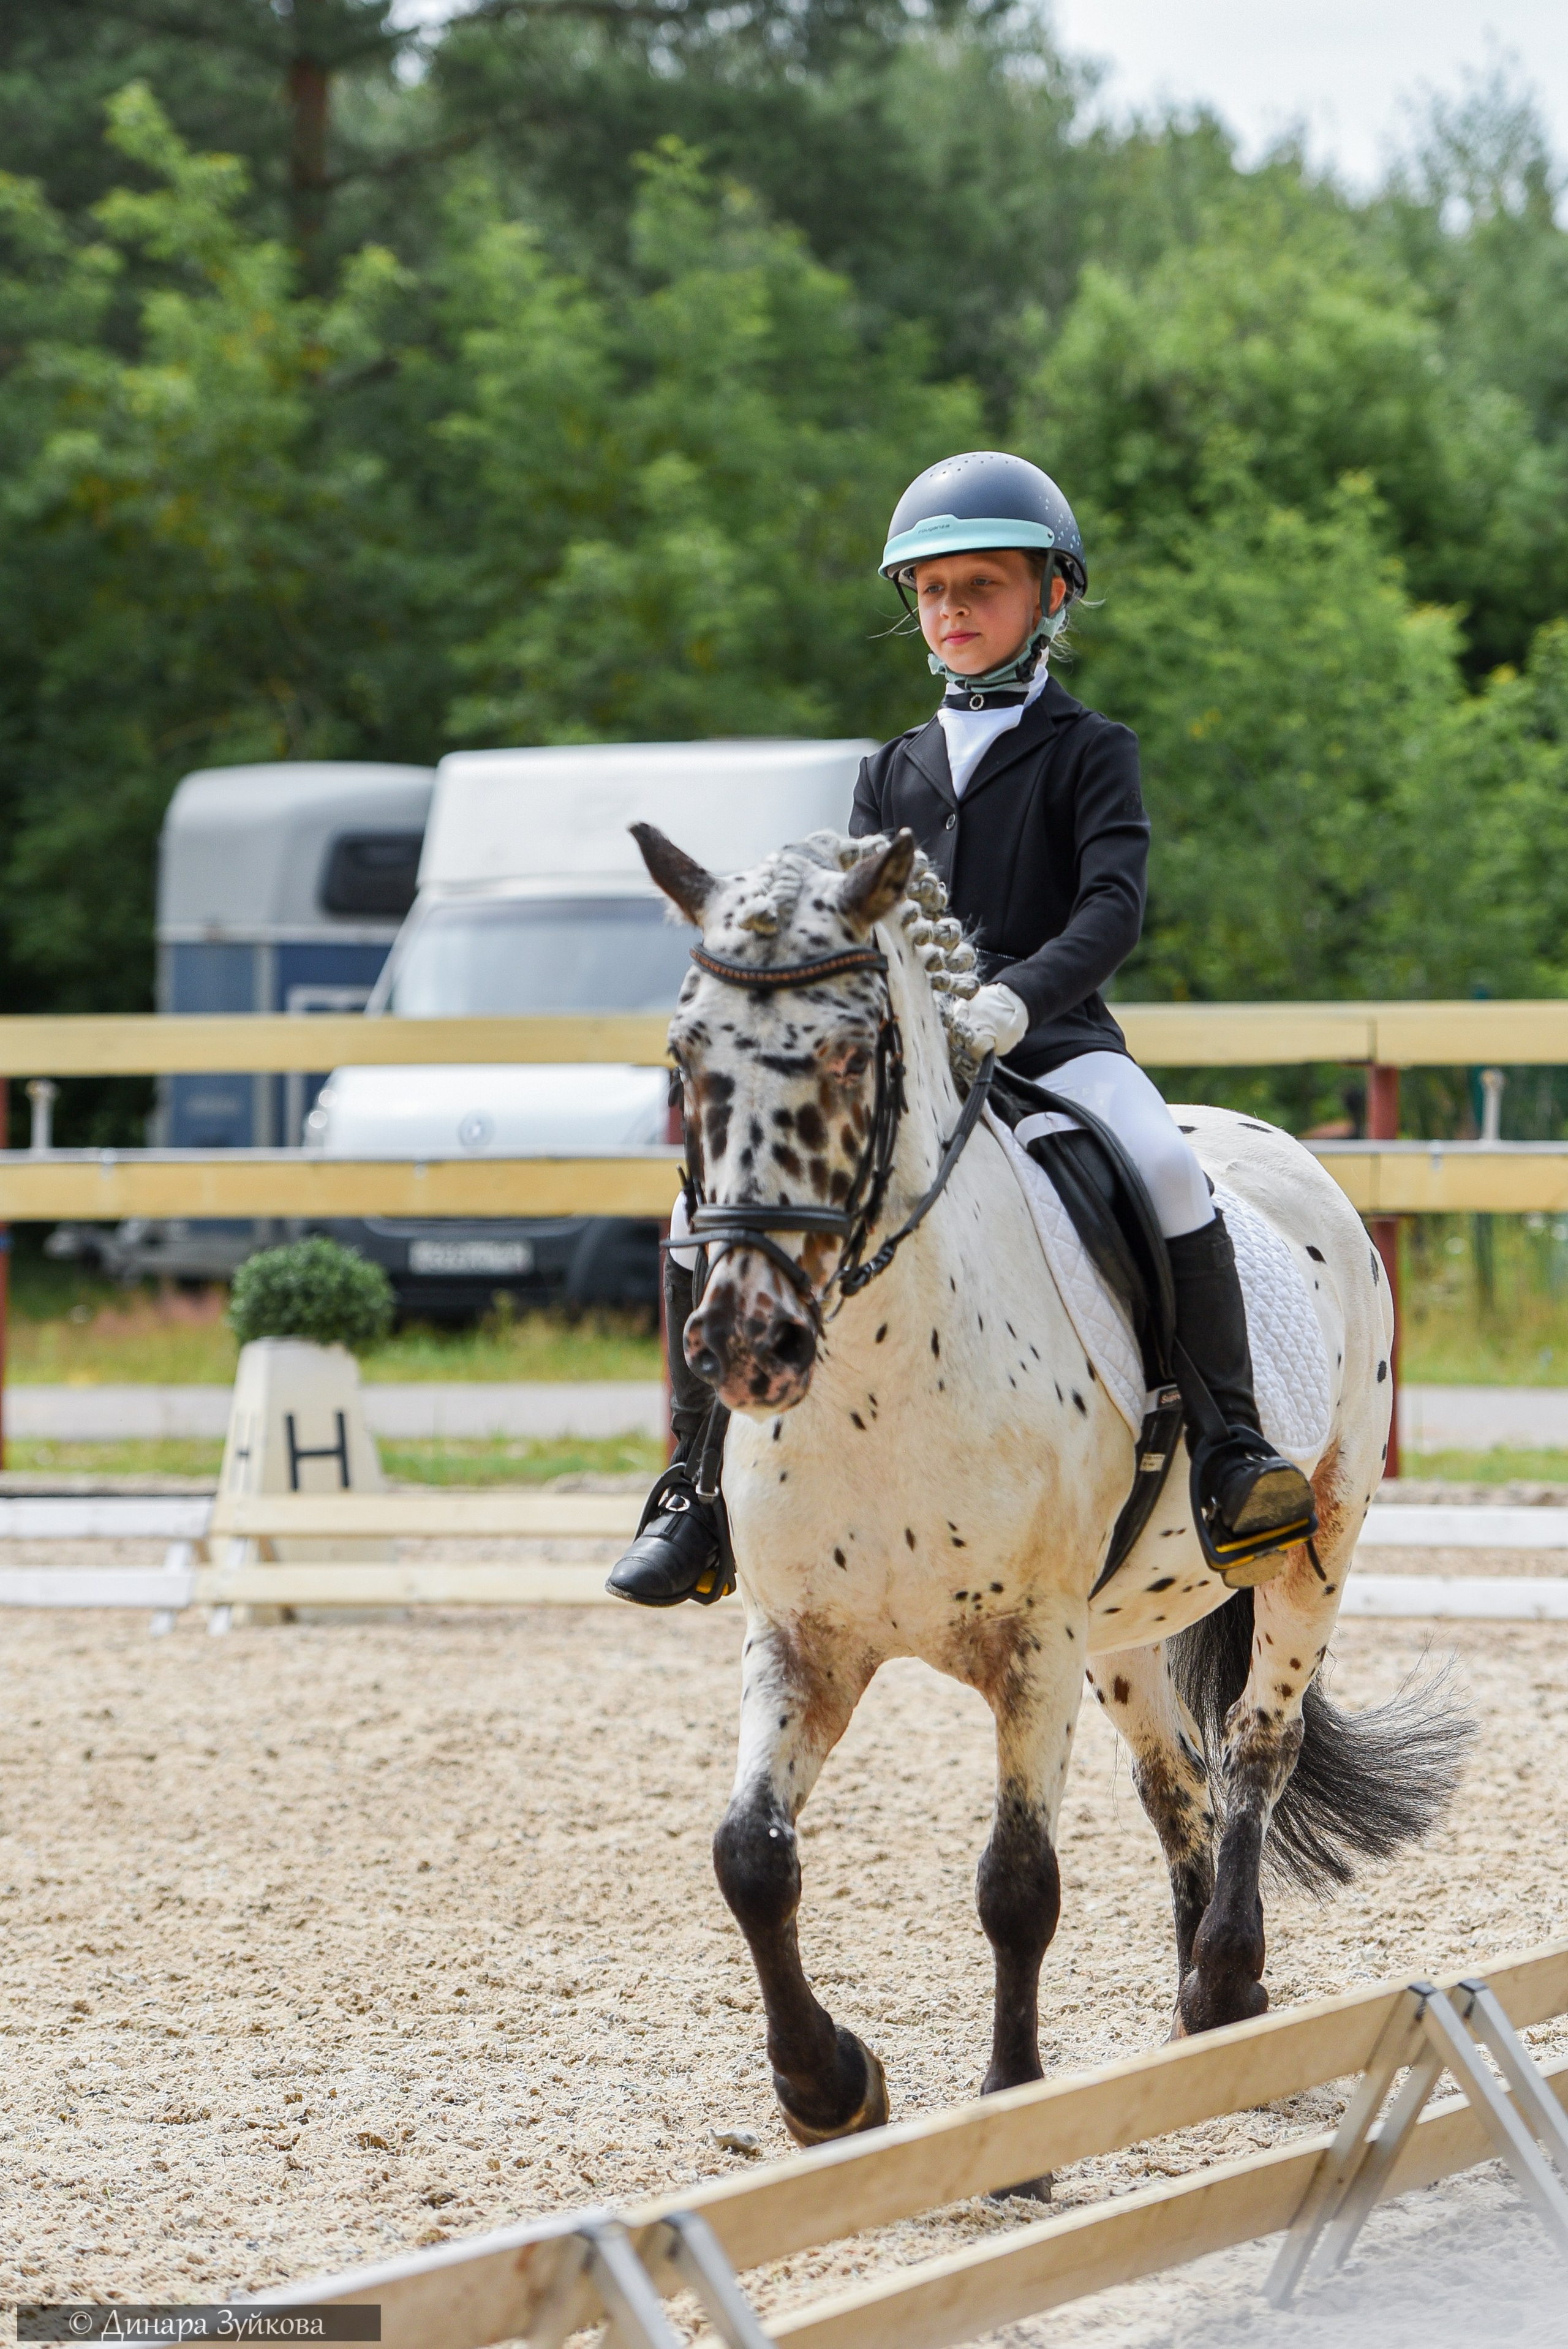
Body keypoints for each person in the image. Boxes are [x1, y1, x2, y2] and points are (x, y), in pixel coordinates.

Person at [607, 450, 1315, 1606]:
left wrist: (1016, 1000)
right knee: (700, 1204)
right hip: (911, 1073)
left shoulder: (1092, 750)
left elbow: (1112, 909)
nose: (952, 612)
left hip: (1058, 1043)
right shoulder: (893, 769)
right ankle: (695, 1490)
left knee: (1168, 1170)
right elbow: (849, 924)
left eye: (981, 587)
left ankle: (1233, 1451)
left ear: (1052, 595)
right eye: (933, 592)